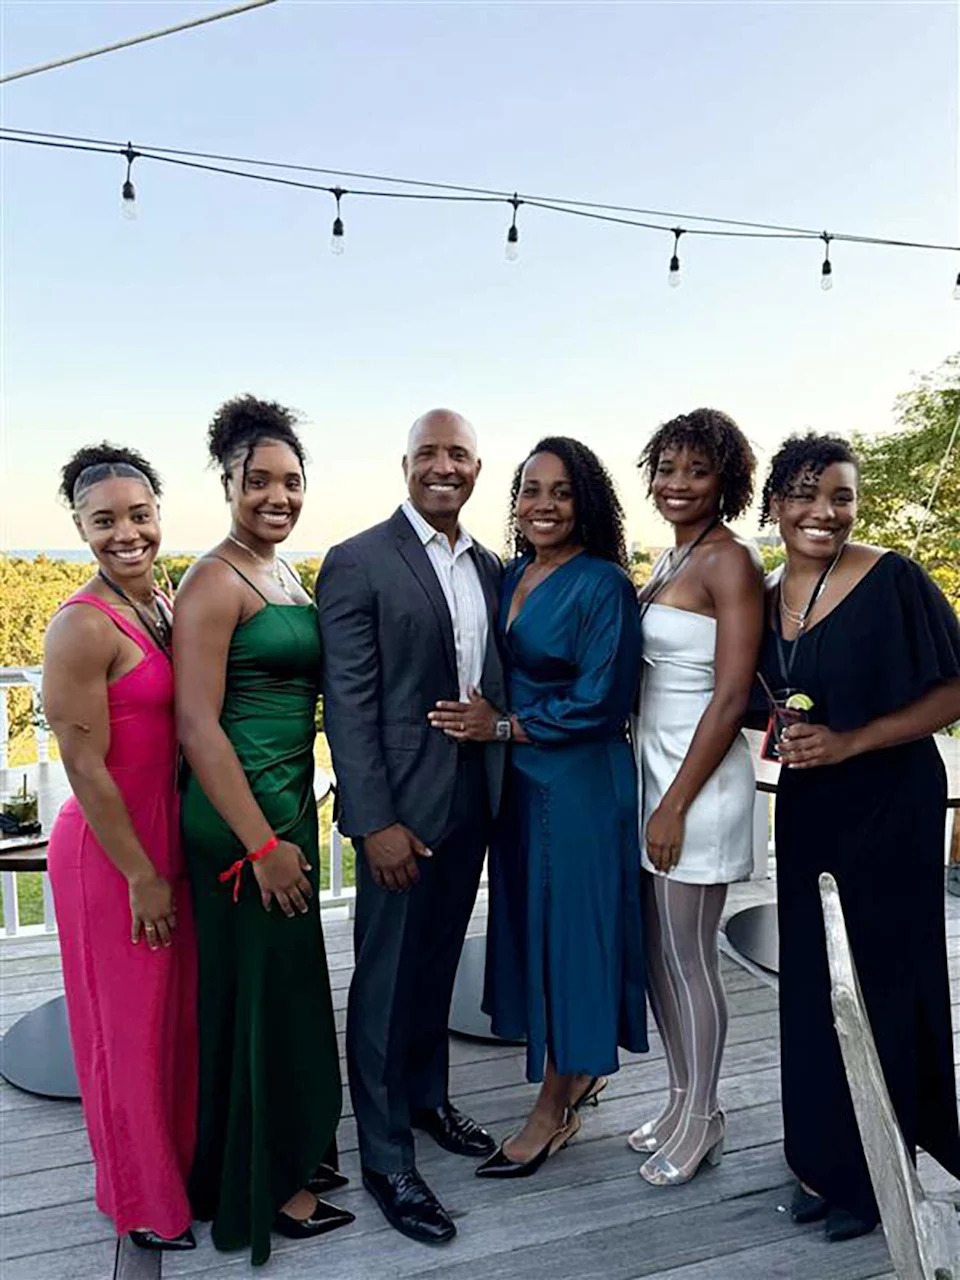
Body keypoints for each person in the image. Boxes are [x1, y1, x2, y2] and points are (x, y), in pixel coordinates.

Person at [757, 432, 960, 1243]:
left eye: (840, 496)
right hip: (810, 806)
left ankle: (882, 1172)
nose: (824, 512)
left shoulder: (892, 578)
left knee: (882, 981)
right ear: (776, 505)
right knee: (814, 981)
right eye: (805, 495)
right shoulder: (766, 592)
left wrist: (850, 742)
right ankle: (822, 1160)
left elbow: (954, 692)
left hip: (891, 802)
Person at [431, 437, 648, 1178]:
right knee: (534, 930)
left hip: (580, 781)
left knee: (571, 941)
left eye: (561, 491)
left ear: (586, 502)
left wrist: (500, 727)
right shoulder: (513, 572)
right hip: (520, 785)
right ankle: (576, 1074)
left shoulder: (604, 583)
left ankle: (553, 1110)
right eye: (530, 489)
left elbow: (603, 700)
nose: (543, 505)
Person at [317, 408, 505, 1244]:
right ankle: (386, 1156)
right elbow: (348, 705)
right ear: (405, 465)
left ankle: (429, 1100)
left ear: (476, 469)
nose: (443, 466)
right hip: (399, 812)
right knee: (386, 983)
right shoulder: (358, 560)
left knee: (434, 965)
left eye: (458, 454)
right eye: (428, 453)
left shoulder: (490, 564)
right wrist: (374, 822)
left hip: (472, 801)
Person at [174, 397, 350, 1266]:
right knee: (259, 999)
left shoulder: (280, 572)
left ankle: (285, 1150)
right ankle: (266, 1186)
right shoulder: (214, 580)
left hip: (285, 808)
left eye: (291, 481)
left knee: (283, 992)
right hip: (241, 824)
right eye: (259, 482)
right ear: (228, 484)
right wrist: (261, 846)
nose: (278, 496)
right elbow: (197, 726)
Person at [43, 445, 197, 1252]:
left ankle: (178, 1171)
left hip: (166, 836)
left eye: (140, 515)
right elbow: (84, 765)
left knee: (169, 1023)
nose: (126, 533)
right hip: (112, 853)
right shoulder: (80, 624)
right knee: (125, 1033)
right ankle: (141, 1203)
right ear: (81, 528)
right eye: (105, 521)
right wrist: (140, 874)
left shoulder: (160, 602)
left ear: (158, 514)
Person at [627, 409, 764, 1188]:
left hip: (698, 785)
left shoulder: (729, 561)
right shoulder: (672, 556)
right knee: (657, 954)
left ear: (725, 482)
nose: (677, 484)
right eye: (667, 469)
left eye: (696, 471)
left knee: (689, 958)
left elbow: (732, 694)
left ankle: (707, 1115)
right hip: (656, 775)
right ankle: (680, 1098)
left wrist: (675, 804)